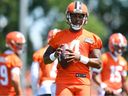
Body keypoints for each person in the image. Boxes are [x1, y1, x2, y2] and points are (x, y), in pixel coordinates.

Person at [43, 1, 102, 96]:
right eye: (74, 16)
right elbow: (45, 59)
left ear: (85, 17)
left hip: (83, 81)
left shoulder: (92, 38)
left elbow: (98, 63)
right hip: (64, 81)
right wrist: (55, 55)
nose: (77, 19)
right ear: (68, 16)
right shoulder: (58, 36)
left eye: (80, 16)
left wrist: (79, 58)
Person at [30, 29, 61, 96]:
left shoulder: (39, 53)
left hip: (44, 87)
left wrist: (35, 91)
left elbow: (34, 75)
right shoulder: (65, 53)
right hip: (59, 88)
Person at [0, 31, 26, 95]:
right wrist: (19, 94)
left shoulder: (1, 57)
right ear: (11, 44)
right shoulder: (14, 59)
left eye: (22, 44)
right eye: (19, 44)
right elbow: (15, 79)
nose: (21, 47)